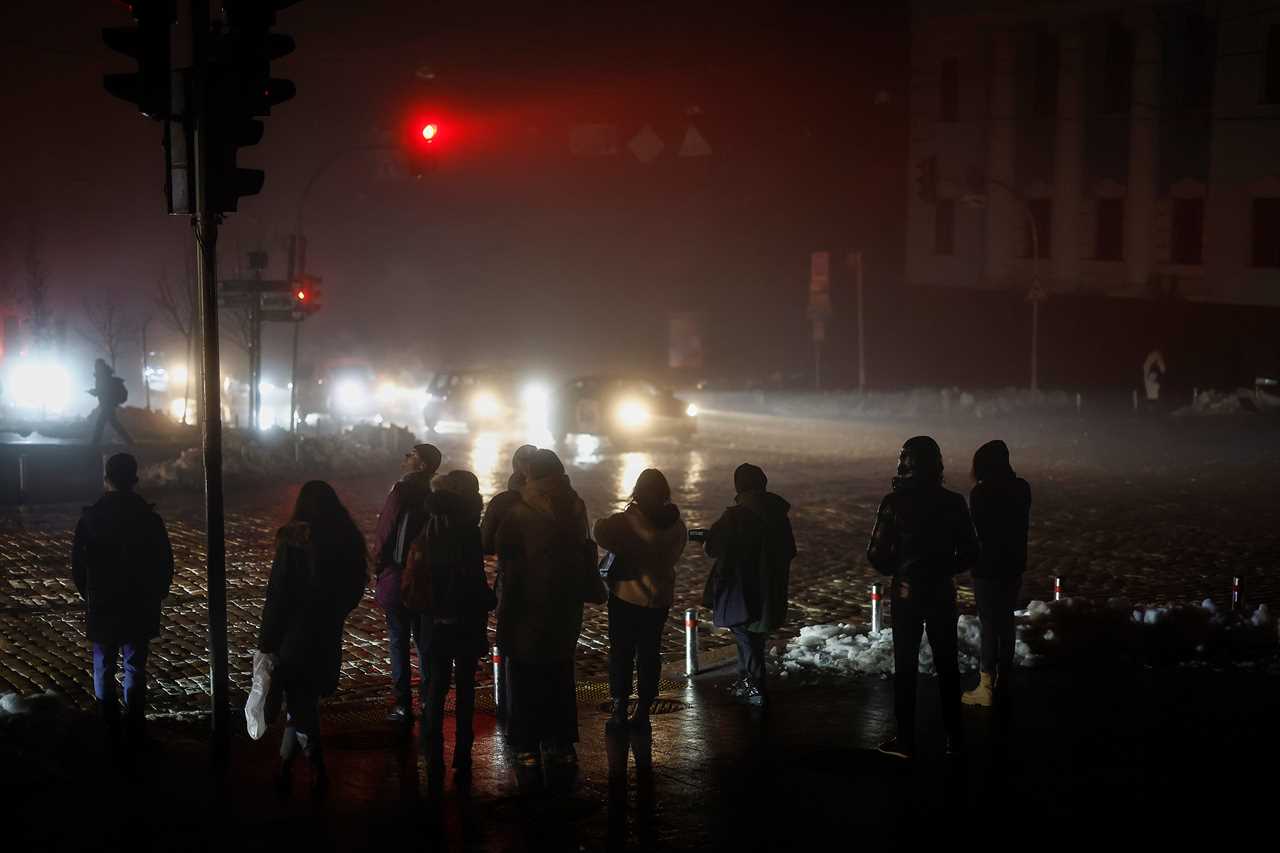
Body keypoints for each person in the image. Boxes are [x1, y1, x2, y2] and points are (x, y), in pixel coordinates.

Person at [866, 436, 978, 759]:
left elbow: (875, 554)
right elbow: (971, 551)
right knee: (947, 665)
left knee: (905, 666)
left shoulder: (893, 503)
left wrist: (899, 569)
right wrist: (944, 568)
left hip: (907, 593)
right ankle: (954, 738)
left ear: (906, 463)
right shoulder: (954, 502)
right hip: (942, 591)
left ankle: (905, 740)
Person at [258, 481, 368, 796]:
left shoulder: (292, 541)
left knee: (300, 702)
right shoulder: (346, 538)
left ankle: (314, 767)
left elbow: (278, 595)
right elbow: (356, 584)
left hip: (294, 634)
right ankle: (287, 767)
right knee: (303, 700)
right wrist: (336, 611)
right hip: (327, 630)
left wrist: (267, 640)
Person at [495, 448, 595, 769]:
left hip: (526, 606)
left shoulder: (520, 512)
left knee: (523, 675)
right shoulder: (576, 506)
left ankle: (526, 743)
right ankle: (562, 741)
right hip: (565, 605)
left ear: (529, 477)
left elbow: (495, 546)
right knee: (559, 672)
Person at [71, 453, 173, 749]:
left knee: (103, 662)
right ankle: (135, 722)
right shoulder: (149, 519)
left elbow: (79, 566)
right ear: (135, 481)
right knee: (135, 663)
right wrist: (157, 592)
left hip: (102, 602)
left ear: (106, 480)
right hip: (139, 602)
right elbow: (164, 561)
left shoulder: (90, 519)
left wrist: (87, 594)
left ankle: (108, 720)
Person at [594, 469, 687, 755]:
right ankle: (644, 709)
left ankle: (620, 707)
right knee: (649, 653)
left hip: (626, 595)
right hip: (659, 599)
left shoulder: (626, 522)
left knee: (621, 652)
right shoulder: (677, 526)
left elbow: (600, 532)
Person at [417, 470, 496, 780]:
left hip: (434, 620)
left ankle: (432, 750)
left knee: (436, 686)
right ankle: (463, 752)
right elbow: (475, 580)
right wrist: (489, 600)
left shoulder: (429, 527)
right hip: (464, 620)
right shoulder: (467, 532)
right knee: (465, 688)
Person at [703, 463, 796, 707]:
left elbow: (712, 548)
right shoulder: (779, 515)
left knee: (747, 639)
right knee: (752, 639)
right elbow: (789, 551)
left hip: (741, 591)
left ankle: (755, 689)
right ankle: (747, 684)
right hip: (770, 590)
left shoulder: (734, 516)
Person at [372, 443, 441, 723]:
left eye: (411, 455)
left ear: (422, 465)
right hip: (425, 578)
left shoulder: (401, 491)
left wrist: (378, 566)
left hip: (400, 574)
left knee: (398, 639)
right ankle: (428, 699)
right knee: (424, 642)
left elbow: (385, 531)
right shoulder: (433, 495)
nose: (406, 457)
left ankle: (402, 703)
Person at [962, 440, 1031, 708]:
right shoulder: (1022, 488)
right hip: (1013, 564)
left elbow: (978, 529)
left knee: (989, 624)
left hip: (988, 567)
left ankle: (986, 684)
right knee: (1006, 622)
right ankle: (1005, 678)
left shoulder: (981, 493)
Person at [88, 358, 133, 446]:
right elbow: (102, 390)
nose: (95, 367)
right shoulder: (103, 375)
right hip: (108, 403)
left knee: (101, 423)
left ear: (99, 366)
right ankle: (129, 441)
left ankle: (94, 443)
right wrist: (95, 392)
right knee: (113, 423)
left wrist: (94, 392)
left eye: (96, 365)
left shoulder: (102, 376)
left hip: (107, 404)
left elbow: (104, 391)